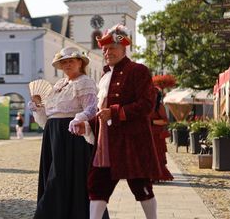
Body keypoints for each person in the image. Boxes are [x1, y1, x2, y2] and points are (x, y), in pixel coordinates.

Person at [73, 24, 171, 219]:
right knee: (97, 185)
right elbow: (103, 112)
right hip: (106, 143)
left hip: (132, 142)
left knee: (141, 186)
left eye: (112, 49)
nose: (108, 52)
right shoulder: (104, 76)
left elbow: (146, 104)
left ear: (123, 48)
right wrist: (87, 124)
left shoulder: (138, 70)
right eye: (105, 49)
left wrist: (116, 113)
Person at [30, 46, 107, 219]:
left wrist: (78, 119)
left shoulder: (85, 82)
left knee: (61, 178)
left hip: (71, 135)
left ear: (80, 62)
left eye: (71, 61)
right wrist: (38, 107)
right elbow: (47, 116)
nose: (67, 65)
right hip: (53, 134)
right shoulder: (58, 84)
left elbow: (91, 108)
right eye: (63, 62)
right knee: (54, 175)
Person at [149, 87, 173, 182]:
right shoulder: (146, 106)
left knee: (157, 156)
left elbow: (165, 121)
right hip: (147, 135)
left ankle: (157, 176)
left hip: (157, 136)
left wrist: (152, 122)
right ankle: (149, 176)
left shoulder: (159, 106)